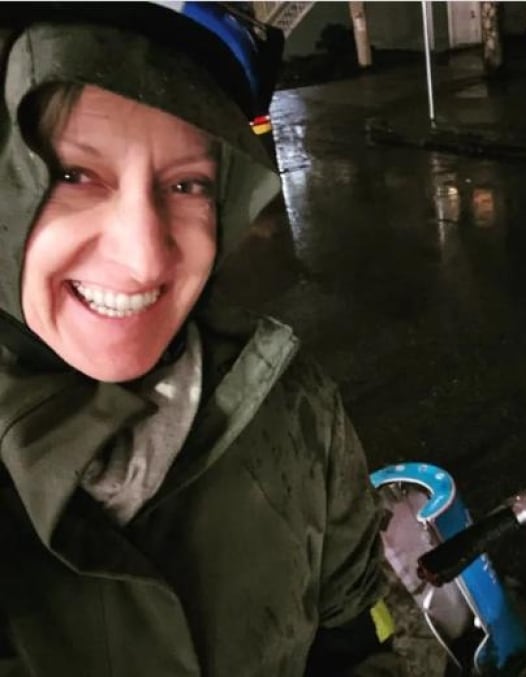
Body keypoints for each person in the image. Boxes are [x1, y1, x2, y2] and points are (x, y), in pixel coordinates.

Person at [0, 3, 399, 676]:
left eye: (187, 184)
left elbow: (357, 636)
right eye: (75, 174)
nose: (145, 258)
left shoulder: (297, 411)